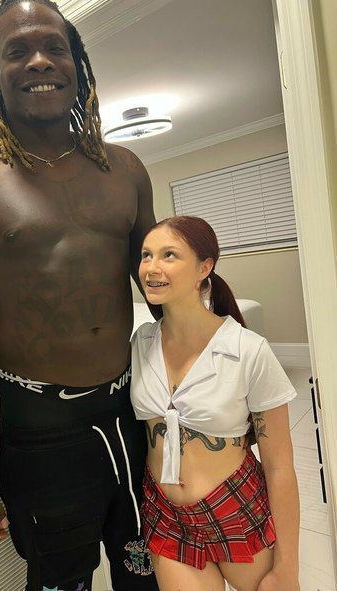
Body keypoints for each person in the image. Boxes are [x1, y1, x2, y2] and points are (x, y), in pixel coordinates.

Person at [0, 1, 159, 590]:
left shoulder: (125, 169)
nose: (39, 61)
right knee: (59, 582)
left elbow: (162, 290)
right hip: (42, 432)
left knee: (149, 573)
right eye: (17, 51)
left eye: (54, 47)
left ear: (78, 63)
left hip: (136, 415)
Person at [130, 216, 300, 591]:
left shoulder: (247, 350)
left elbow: (280, 467)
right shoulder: (140, 343)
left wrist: (288, 568)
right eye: (146, 255)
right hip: (168, 517)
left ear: (204, 267)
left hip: (235, 509)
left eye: (169, 255)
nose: (151, 268)